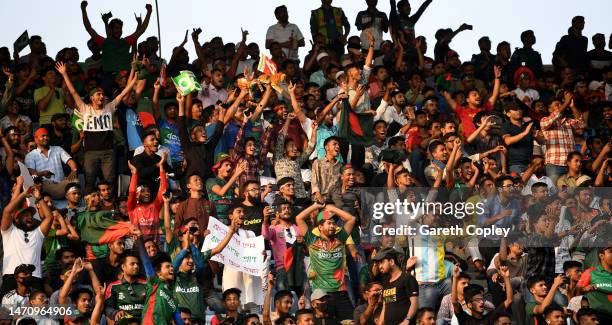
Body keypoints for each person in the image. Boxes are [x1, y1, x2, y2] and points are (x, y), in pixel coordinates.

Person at [56, 60, 138, 193]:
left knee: (110, 180)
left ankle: (110, 205)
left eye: (102, 94)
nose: (102, 96)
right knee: (90, 180)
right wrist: (65, 74)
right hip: (91, 153)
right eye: (98, 94)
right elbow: (73, 92)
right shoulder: (85, 108)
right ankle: (89, 203)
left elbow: (123, 94)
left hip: (108, 152)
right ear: (92, 98)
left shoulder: (109, 107)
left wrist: (133, 81)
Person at [296, 202, 356, 322]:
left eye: (334, 223)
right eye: (329, 223)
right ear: (320, 227)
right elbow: (299, 218)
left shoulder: (341, 237)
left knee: (350, 322)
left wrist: (333, 208)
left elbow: (351, 219)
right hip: (322, 296)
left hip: (341, 292)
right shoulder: (311, 239)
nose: (332, 226)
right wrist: (315, 206)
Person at [25, 127, 78, 199]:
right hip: (45, 186)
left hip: (61, 184)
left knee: (75, 180)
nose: (46, 138)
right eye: (43, 136)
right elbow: (32, 173)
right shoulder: (30, 155)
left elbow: (70, 161)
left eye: (47, 136)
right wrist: (43, 173)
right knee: (44, 184)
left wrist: (74, 170)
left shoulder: (57, 149)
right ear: (36, 140)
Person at [373, 247, 419, 324]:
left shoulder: (407, 278)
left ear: (391, 261)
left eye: (382, 262)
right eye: (379, 263)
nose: (380, 266)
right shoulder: (386, 283)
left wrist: (406, 321)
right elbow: (385, 307)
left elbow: (415, 302)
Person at [104, 252, 147, 322]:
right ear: (123, 267)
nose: (136, 266)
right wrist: (115, 313)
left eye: (137, 264)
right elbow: (107, 307)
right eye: (132, 264)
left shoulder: (146, 285)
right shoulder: (113, 286)